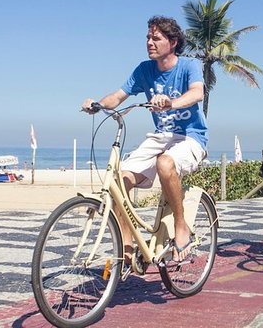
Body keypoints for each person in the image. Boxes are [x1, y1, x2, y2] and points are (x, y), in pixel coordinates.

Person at [82, 16, 208, 263]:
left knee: (165, 163)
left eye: (156, 38)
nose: (149, 42)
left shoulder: (188, 66)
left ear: (172, 42)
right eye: (148, 38)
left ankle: (181, 227)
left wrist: (172, 102)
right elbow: (118, 97)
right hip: (160, 137)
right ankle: (127, 251)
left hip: (191, 137)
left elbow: (197, 92)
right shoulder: (144, 70)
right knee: (121, 181)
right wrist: (96, 104)